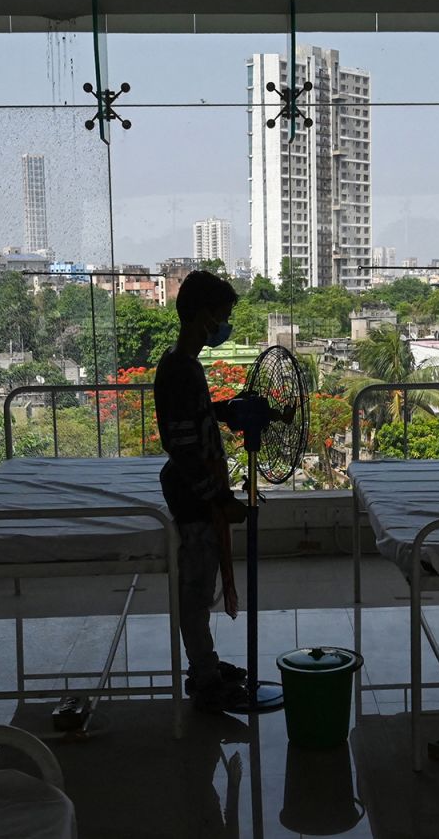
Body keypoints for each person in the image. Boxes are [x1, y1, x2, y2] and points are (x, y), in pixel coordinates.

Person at [154, 270, 249, 712]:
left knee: (201, 583)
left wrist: (220, 410)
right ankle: (204, 675)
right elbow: (181, 446)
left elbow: (190, 420)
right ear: (202, 316)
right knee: (195, 591)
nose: (224, 326)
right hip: (193, 499)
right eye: (222, 317)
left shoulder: (184, 364)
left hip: (196, 493)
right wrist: (218, 498)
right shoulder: (179, 368)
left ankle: (206, 661)